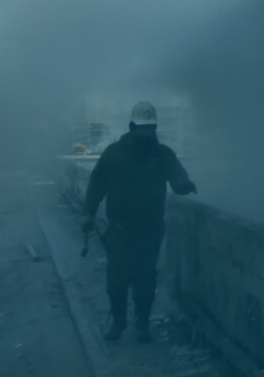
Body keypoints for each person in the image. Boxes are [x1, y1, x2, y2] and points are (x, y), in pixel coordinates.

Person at [81, 101, 197, 342]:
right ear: (132, 126)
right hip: (120, 228)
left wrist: (184, 185)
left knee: (145, 277)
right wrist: (88, 213)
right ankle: (118, 321)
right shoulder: (114, 154)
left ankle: (142, 324)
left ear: (154, 128)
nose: (146, 132)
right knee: (117, 277)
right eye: (142, 127)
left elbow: (176, 174)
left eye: (150, 127)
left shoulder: (162, 155)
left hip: (150, 228)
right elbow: (97, 183)